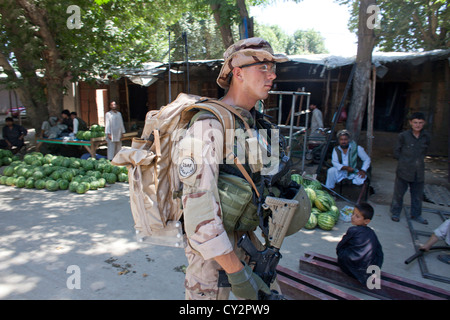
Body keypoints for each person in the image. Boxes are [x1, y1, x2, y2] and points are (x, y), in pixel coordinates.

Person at [180, 37, 291, 300]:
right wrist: (238, 274)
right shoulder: (207, 125)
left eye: (272, 67)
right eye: (263, 67)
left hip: (245, 241)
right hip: (212, 261)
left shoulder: (252, 121)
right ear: (238, 73)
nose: (272, 75)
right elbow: (198, 217)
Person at [390, 112, 431, 224]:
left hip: (419, 171)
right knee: (398, 193)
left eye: (420, 123)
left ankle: (416, 215)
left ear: (424, 123)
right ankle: (395, 213)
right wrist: (404, 161)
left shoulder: (426, 137)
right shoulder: (403, 136)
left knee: (417, 195)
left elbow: (426, 151)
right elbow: (396, 152)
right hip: (404, 170)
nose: (418, 125)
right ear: (410, 123)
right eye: (415, 123)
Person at [336, 202, 384, 285]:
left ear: (366, 221)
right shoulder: (371, 233)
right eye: (353, 214)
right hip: (369, 271)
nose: (353, 217)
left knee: (342, 250)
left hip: (352, 271)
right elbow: (379, 253)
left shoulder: (352, 230)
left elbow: (339, 247)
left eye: (357, 216)